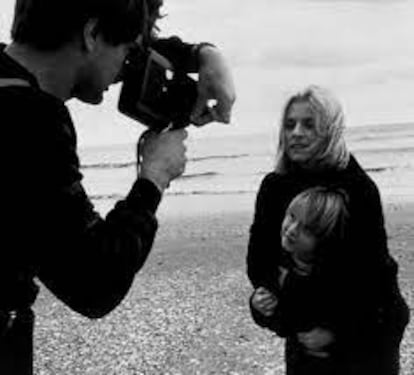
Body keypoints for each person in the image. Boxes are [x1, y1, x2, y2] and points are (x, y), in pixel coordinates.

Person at [0, 0, 235, 374]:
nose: (126, 67)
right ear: (92, 34)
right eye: (127, 51)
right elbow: (95, 282)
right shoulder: (29, 120)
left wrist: (201, 55)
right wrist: (153, 179)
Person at [247, 85, 409, 375]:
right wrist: (265, 304)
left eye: (309, 124)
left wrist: (337, 331)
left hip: (368, 330)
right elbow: (260, 261)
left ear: (331, 129)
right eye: (289, 124)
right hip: (303, 329)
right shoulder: (274, 187)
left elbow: (372, 278)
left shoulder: (357, 189)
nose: (296, 132)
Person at [252, 186, 352, 375]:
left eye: (306, 229)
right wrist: (260, 308)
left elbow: (365, 318)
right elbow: (282, 324)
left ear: (325, 239)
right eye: (291, 216)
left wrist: (333, 335)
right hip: (299, 360)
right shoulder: (280, 267)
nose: (291, 230)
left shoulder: (338, 277)